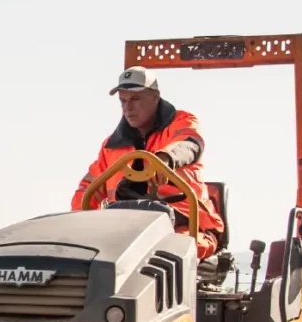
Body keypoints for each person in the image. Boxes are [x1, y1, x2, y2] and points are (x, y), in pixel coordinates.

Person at [72, 66, 225, 259]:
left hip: (187, 227)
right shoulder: (110, 147)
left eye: (135, 99)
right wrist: (79, 230)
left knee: (166, 253)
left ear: (155, 97)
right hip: (128, 232)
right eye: (123, 101)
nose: (128, 107)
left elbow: (190, 143)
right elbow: (88, 190)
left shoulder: (182, 122)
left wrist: (166, 159)